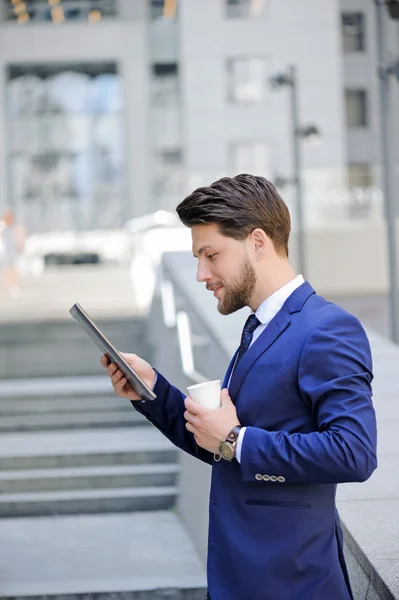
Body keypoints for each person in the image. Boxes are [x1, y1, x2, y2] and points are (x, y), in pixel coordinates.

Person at [102, 174, 377, 600]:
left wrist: (235, 439)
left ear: (258, 242)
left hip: (294, 583)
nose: (200, 273)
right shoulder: (256, 328)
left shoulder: (327, 329)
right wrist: (152, 390)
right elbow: (220, 447)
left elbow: (354, 453)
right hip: (238, 578)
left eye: (211, 255)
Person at [1, 209, 25, 297]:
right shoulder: (4, 228)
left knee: (14, 269)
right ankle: (9, 286)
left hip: (13, 252)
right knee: (7, 269)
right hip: (6, 253)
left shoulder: (15, 228)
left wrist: (21, 246)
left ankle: (14, 286)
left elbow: (19, 238)